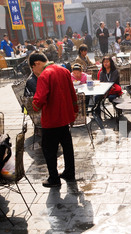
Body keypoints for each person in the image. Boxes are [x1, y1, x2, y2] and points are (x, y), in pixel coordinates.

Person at [29, 52, 78, 188]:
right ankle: (69, 172)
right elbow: (72, 92)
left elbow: (39, 100)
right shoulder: (64, 70)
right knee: (67, 147)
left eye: (33, 68)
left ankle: (54, 178)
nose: (34, 72)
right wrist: (75, 109)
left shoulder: (45, 75)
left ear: (37, 63)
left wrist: (33, 105)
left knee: (49, 150)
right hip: (65, 117)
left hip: (51, 119)